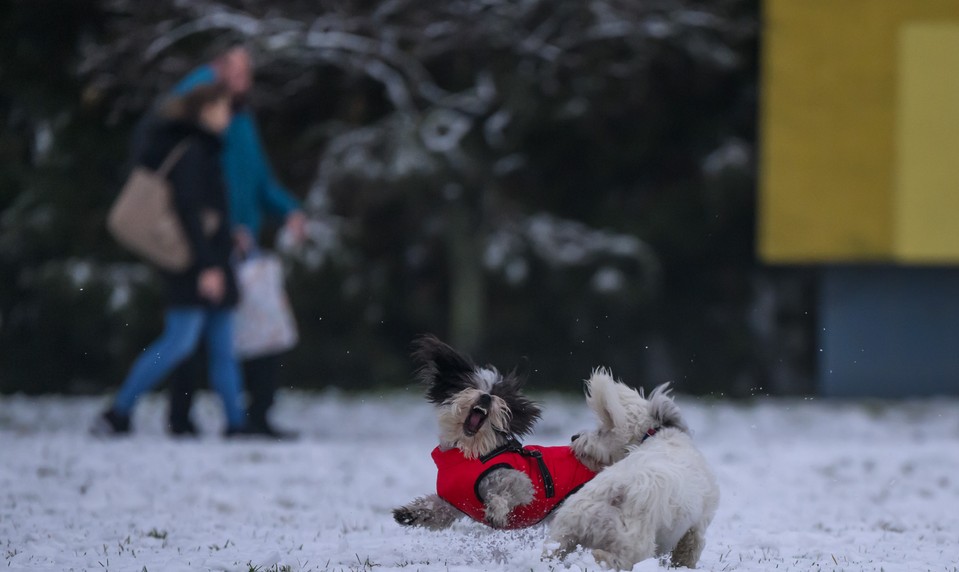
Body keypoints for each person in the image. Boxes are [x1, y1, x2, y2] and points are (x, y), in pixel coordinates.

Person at [166, 45, 306, 439]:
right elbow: (181, 100)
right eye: (237, 71)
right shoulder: (199, 121)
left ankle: (256, 414)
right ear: (215, 70)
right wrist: (210, 75)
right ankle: (180, 415)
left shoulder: (241, 120)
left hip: (246, 245)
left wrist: (290, 211)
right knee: (192, 333)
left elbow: (261, 181)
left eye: (248, 72)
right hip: (207, 240)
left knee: (262, 329)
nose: (246, 80)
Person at [94, 83, 247, 436]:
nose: (228, 116)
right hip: (191, 261)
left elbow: (206, 210)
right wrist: (207, 266)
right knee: (181, 339)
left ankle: (237, 423)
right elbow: (188, 211)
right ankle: (118, 411)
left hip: (210, 256)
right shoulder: (193, 150)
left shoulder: (202, 147)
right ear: (205, 109)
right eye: (223, 108)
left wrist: (229, 236)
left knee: (222, 344)